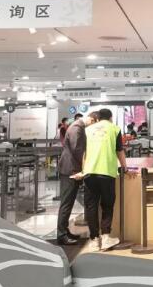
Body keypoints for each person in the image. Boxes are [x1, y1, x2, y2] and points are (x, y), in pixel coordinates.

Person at [72, 108, 132, 252]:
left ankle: (94, 239)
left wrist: (83, 171)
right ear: (110, 118)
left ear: (98, 118)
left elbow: (84, 153)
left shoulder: (88, 130)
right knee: (107, 205)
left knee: (91, 206)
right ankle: (105, 237)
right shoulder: (115, 129)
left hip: (90, 172)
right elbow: (119, 151)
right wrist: (125, 168)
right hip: (107, 172)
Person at [56, 112, 98, 245]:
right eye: (94, 123)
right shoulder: (77, 128)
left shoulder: (78, 127)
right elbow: (77, 150)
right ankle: (61, 235)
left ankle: (64, 230)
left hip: (72, 168)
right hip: (70, 169)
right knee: (66, 202)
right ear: (92, 119)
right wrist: (88, 164)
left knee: (69, 202)